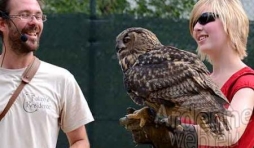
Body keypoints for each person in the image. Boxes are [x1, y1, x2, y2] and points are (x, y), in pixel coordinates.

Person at [120, 0, 254, 147]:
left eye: (205, 19)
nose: (197, 27)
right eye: (193, 23)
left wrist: (177, 136)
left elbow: (229, 133)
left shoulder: (246, 83)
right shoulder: (198, 80)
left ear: (232, 22)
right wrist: (154, 117)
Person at [0, 0, 94, 148]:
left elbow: (79, 141)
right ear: (2, 24)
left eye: (38, 16)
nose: (34, 22)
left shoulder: (61, 79)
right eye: (25, 15)